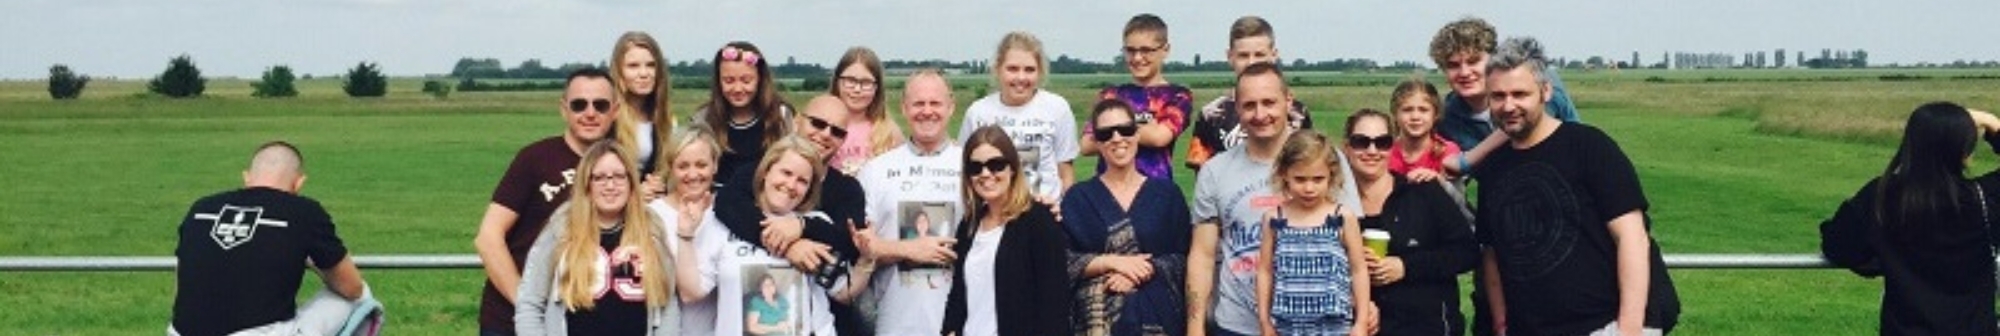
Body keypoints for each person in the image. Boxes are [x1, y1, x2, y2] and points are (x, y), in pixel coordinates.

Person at [1473, 37, 1678, 336]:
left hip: (1604, 325)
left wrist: (1630, 328)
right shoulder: (1492, 168)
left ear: (1545, 92)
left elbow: (1632, 237)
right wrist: (1502, 323)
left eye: (1520, 94)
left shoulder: (1589, 146)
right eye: (1498, 96)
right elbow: (1491, 253)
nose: (1509, 106)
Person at [1188, 62, 1365, 336]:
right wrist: (1195, 326)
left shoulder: (1325, 161)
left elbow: (1353, 250)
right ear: (1236, 108)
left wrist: (1363, 310)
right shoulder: (1215, 170)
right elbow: (1203, 254)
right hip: (1237, 324)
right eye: (1249, 105)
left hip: (1319, 323)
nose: (1260, 114)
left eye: (1269, 102)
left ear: (1288, 101)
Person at [1822, 102, 2000, 335]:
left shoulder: (1880, 196)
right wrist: (1992, 123)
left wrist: (1881, 259)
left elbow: (1839, 247)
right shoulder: (1985, 198)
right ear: (1964, 153)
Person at [170, 141, 377, 336]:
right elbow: (351, 287)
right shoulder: (304, 212)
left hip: (181, 332)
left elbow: (182, 281)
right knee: (362, 297)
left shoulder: (201, 208)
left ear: (247, 177)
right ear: (298, 183)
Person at [476, 68, 619, 336]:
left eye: (600, 105)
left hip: (576, 321)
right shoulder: (534, 159)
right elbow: (488, 237)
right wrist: (526, 305)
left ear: (615, 110)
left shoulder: (618, 166)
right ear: (564, 109)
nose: (590, 113)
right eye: (579, 105)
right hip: (510, 322)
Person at [714, 95, 873, 335]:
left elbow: (848, 242)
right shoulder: (760, 170)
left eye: (837, 131)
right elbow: (729, 204)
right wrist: (788, 246)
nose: (826, 134)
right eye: (818, 123)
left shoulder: (847, 190)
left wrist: (801, 226)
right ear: (798, 121)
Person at [515, 141, 680, 335]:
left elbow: (667, 305)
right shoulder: (562, 229)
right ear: (586, 183)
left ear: (631, 182)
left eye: (619, 176)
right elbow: (530, 303)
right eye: (600, 178)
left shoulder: (651, 229)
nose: (610, 185)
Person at [686, 136, 842, 335]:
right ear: (766, 171)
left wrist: (867, 259)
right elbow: (692, 292)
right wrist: (685, 236)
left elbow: (844, 291)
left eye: (802, 181)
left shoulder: (819, 224)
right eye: (786, 173)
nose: (791, 185)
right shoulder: (722, 221)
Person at [1063, 99, 1192, 335]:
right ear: (1098, 142)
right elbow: (1063, 260)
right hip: (1095, 322)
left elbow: (1184, 257)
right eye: (1105, 133)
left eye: (1125, 129)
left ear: (1136, 134)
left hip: (1158, 317)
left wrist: (1143, 270)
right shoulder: (1077, 198)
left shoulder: (1167, 195)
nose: (1117, 138)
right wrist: (1112, 262)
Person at [1345, 109, 1479, 336]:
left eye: (1382, 142)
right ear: (1347, 147)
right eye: (1361, 142)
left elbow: (1466, 252)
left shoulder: (1423, 192)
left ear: (1392, 146)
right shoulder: (1335, 205)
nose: (1372, 150)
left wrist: (1405, 267)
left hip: (1427, 326)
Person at [853, 69, 967, 336]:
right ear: (904, 108)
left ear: (951, 107)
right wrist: (908, 250)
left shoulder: (974, 167)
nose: (927, 111)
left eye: (935, 103)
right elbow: (860, 248)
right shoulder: (876, 170)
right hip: (896, 321)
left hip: (963, 320)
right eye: (918, 103)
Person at [943, 126, 1072, 336]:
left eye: (996, 165)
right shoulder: (969, 225)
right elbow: (959, 294)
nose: (985, 174)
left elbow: (1054, 304)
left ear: (1012, 168)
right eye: (975, 168)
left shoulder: (1038, 221)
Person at [1426, 17, 1580, 177]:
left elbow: (1524, 126)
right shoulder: (1447, 117)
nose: (1464, 73)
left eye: (1473, 61)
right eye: (1453, 65)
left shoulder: (1537, 83)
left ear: (1493, 60)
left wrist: (1466, 161)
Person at [1256, 131, 1371, 336]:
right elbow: (1264, 271)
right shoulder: (1274, 219)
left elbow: (1358, 270)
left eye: (1318, 179)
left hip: (1333, 324)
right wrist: (1265, 321)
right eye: (1300, 179)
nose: (1309, 188)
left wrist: (1361, 321)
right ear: (1284, 174)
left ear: (1331, 176)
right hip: (1287, 325)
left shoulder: (1342, 217)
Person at [960, 31, 1078, 200]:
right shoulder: (978, 112)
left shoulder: (1057, 108)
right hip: (993, 215)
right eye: (1013, 69)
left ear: (1040, 72)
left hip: (1042, 215)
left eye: (1029, 70)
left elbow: (1066, 174)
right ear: (998, 69)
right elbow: (967, 173)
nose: (1021, 77)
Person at [1186, 16, 1311, 171]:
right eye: (1243, 55)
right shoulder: (1211, 114)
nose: (1251, 62)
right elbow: (1203, 176)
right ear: (1230, 57)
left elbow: (1309, 166)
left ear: (1274, 55)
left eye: (1259, 55)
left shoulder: (1297, 112)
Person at [1080, 13, 1191, 181]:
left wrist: (1109, 132)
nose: (1138, 58)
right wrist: (1143, 129)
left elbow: (1159, 138)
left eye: (1146, 50)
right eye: (1130, 51)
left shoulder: (1177, 96)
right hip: (1108, 192)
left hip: (1155, 190)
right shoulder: (1110, 95)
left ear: (1165, 50)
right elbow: (1087, 145)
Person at [647, 125, 724, 336]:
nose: (693, 174)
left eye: (701, 165)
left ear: (715, 165)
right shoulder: (652, 215)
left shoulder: (729, 211)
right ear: (671, 168)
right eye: (683, 166)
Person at [698, 41, 794, 185]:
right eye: (729, 81)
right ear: (718, 82)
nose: (737, 88)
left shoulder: (780, 115)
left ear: (760, 80)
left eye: (746, 80)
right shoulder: (704, 118)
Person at [607, 32, 674, 186]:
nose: (644, 74)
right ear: (619, 71)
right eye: (633, 66)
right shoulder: (608, 118)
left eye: (651, 65)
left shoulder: (665, 120)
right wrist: (636, 193)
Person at [826, 46, 905, 176]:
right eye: (850, 80)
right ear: (837, 81)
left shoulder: (889, 132)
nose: (857, 89)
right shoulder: (821, 128)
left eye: (866, 82)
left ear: (877, 88)